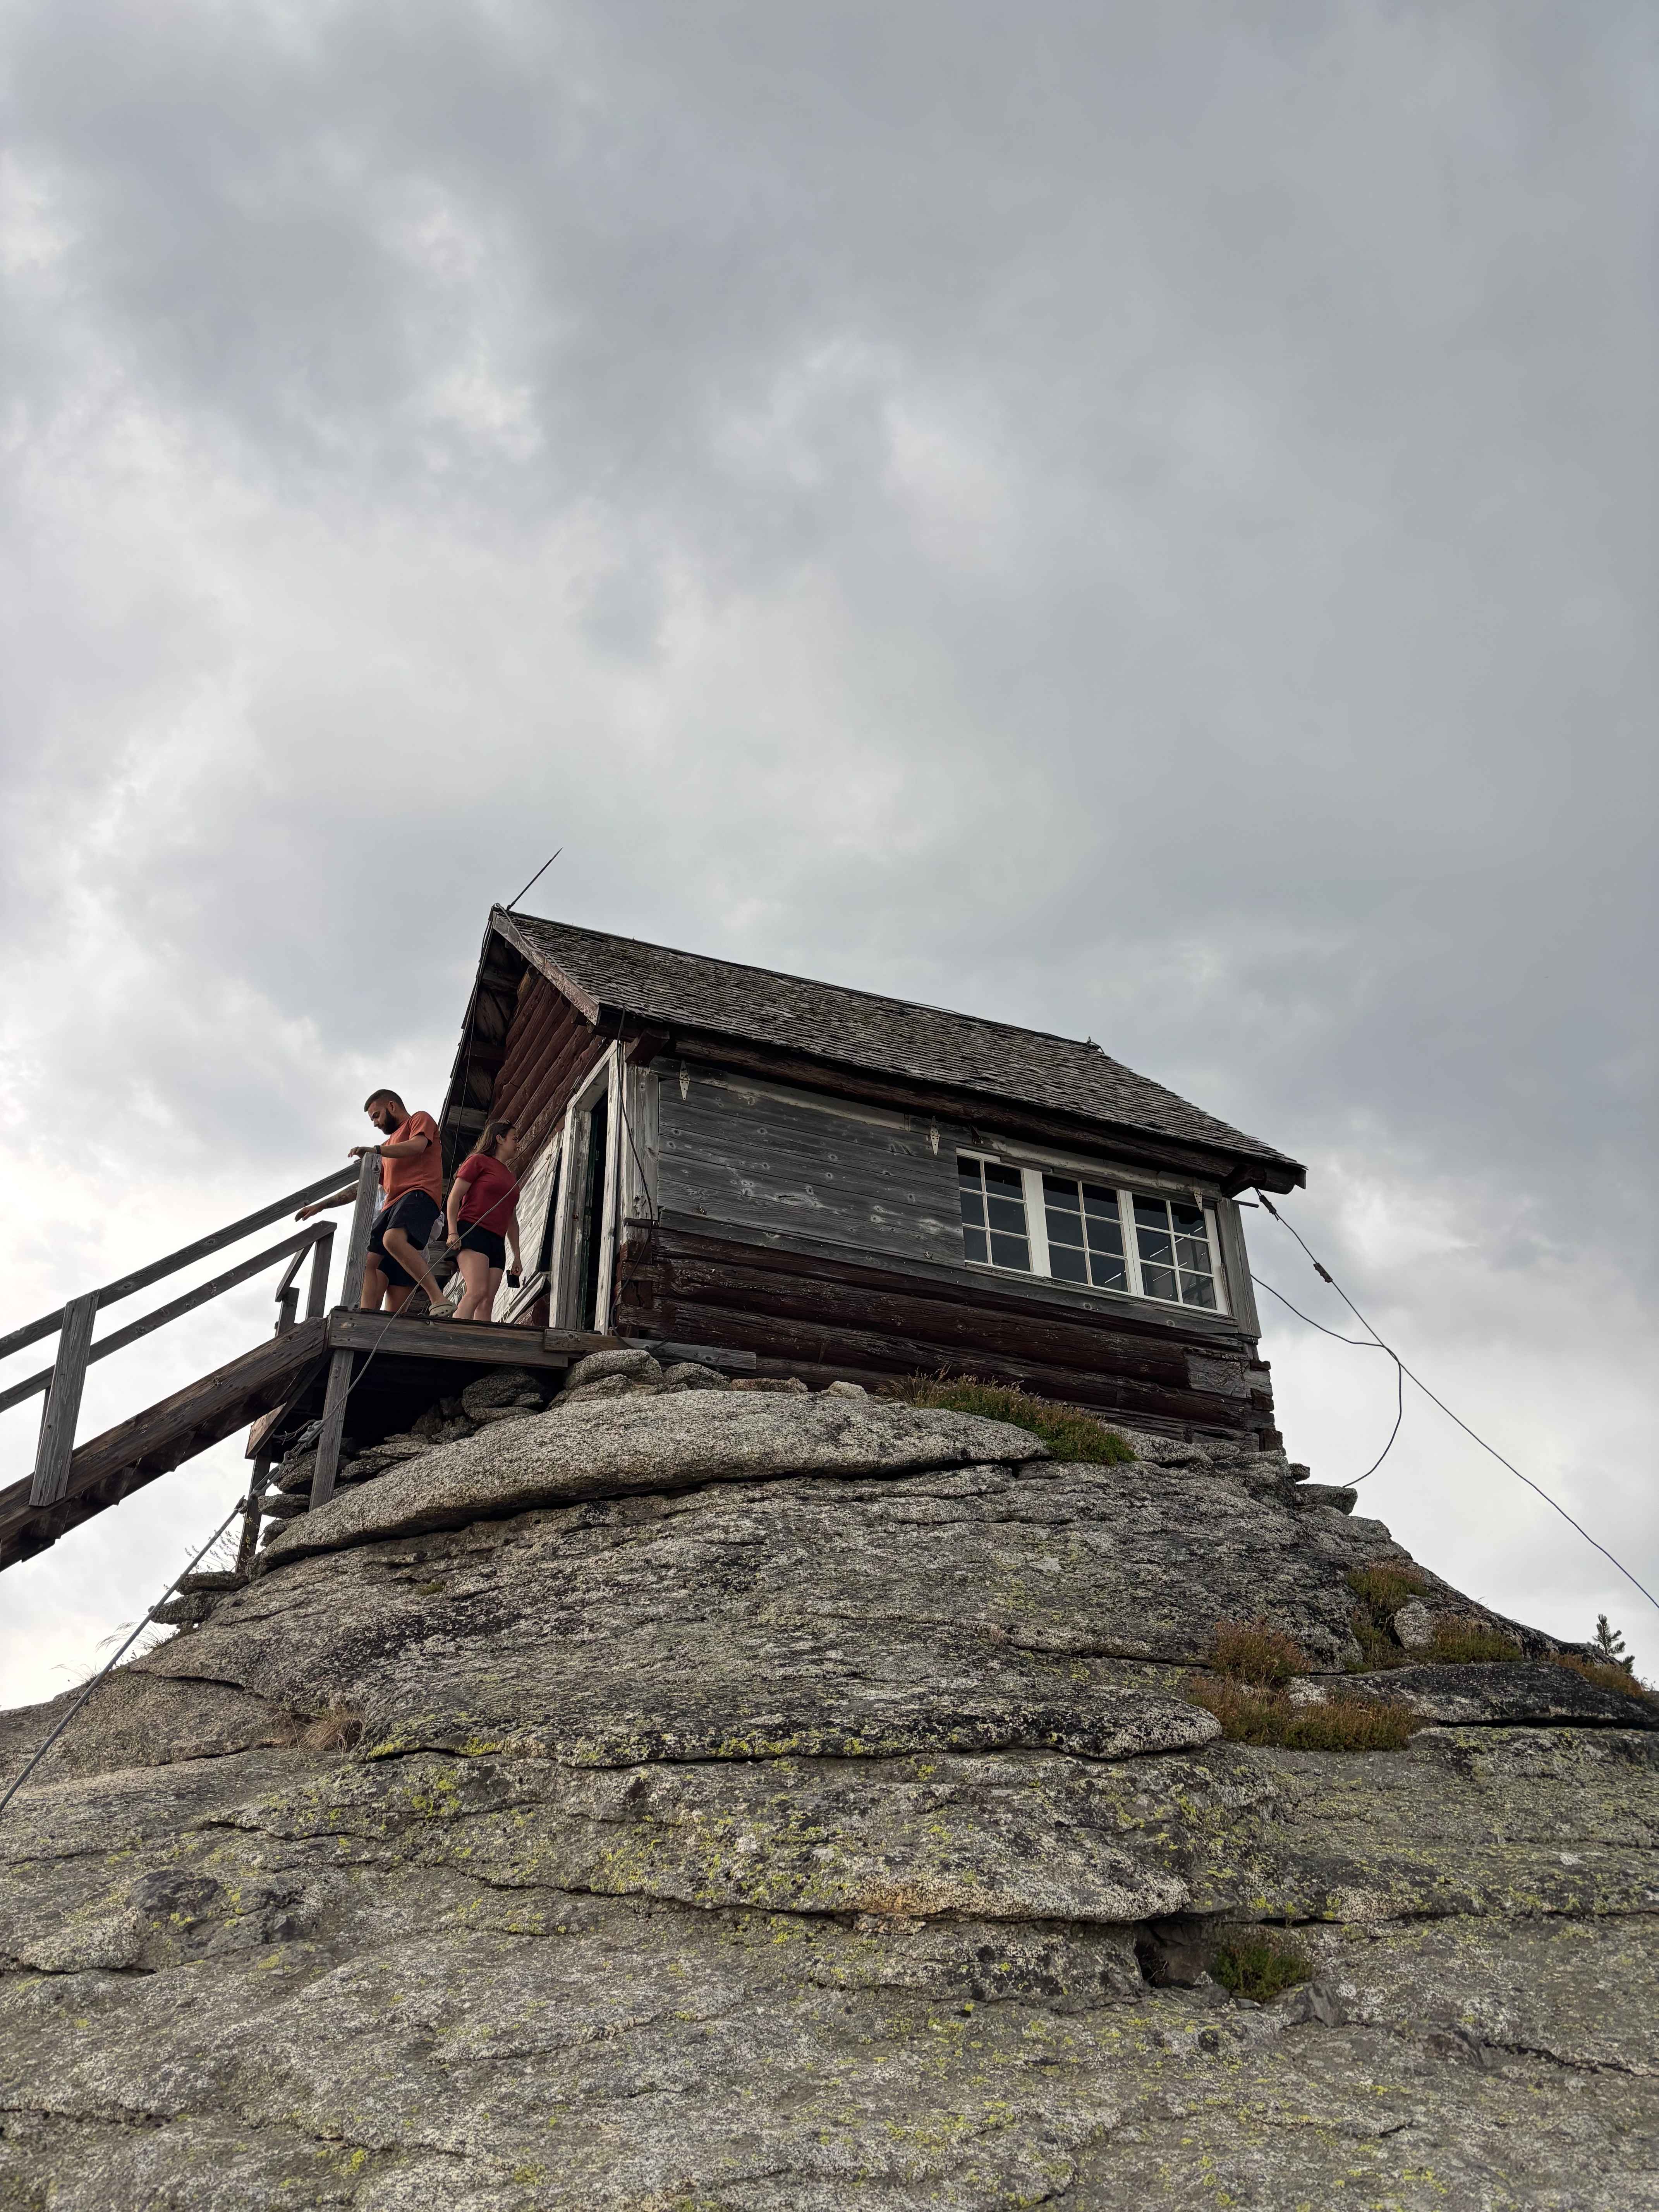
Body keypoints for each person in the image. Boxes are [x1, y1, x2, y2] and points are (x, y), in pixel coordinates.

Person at [298, 1089, 450, 1314]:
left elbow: (418, 1146)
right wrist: (322, 1204)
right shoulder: (388, 1149)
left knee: (392, 1240)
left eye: (376, 1116)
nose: (375, 1123)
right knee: (367, 1260)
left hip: (419, 1194)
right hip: (391, 1207)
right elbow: (363, 1187)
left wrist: (376, 1151)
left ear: (391, 1106)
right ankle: (366, 1315)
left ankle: (438, 1298)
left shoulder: (418, 1119)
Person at [445, 1119, 524, 1322]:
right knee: (477, 1291)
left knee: (488, 1301)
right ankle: (453, 1339)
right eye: (514, 1139)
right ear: (499, 1139)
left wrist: (517, 1255)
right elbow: (454, 1197)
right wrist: (453, 1231)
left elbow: (511, 1218)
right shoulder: (478, 1161)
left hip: (497, 1241)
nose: (518, 1143)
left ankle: (476, 1346)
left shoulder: (510, 1176)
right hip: (473, 1230)